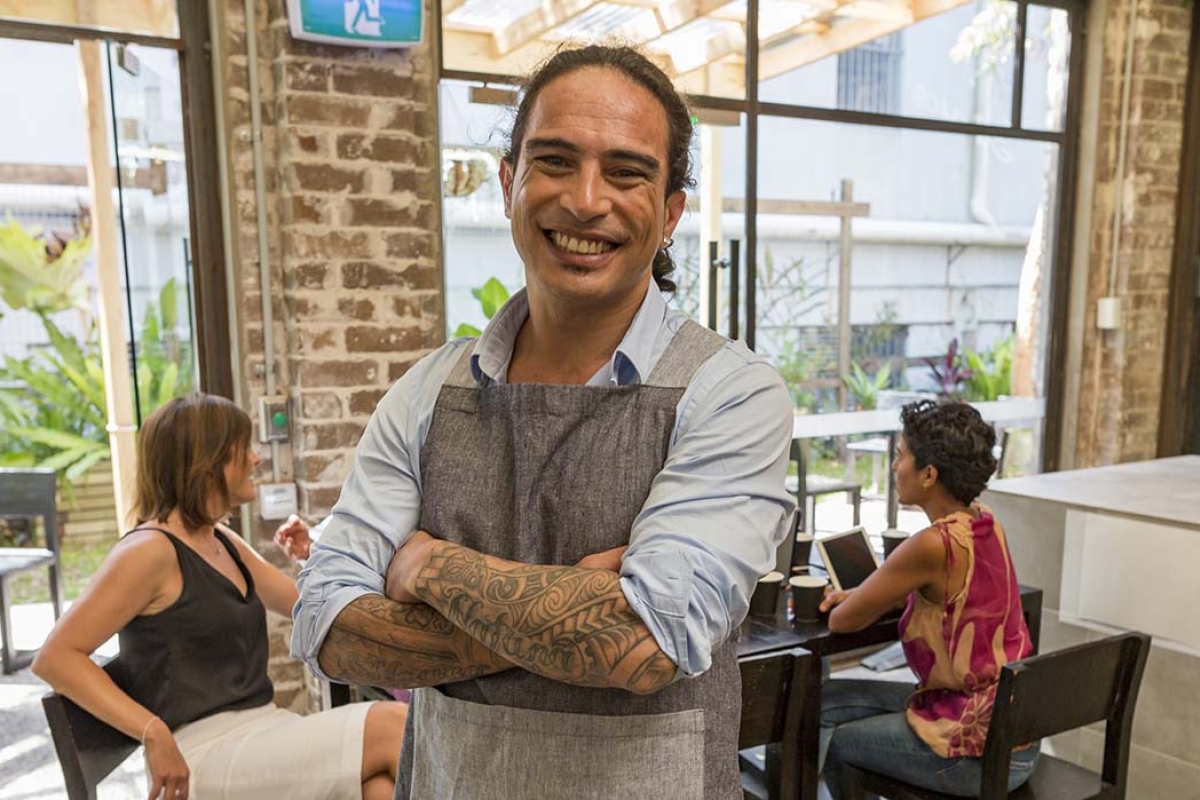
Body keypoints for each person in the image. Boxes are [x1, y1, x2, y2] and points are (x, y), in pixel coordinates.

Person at [291, 44, 795, 799]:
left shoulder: (731, 393)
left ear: (670, 213)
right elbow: (328, 625)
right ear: (508, 184)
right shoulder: (429, 390)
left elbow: (647, 641)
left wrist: (431, 568)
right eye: (555, 161)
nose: (586, 199)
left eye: (626, 172)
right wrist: (575, 612)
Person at [33, 393, 406, 800]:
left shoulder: (220, 539)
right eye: (242, 448)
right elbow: (55, 657)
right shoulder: (149, 551)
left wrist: (310, 555)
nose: (256, 458)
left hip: (263, 730)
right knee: (395, 725)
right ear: (207, 462)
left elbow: (307, 605)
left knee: (380, 788)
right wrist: (152, 731)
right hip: (203, 756)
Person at [817, 399, 1039, 798]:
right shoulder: (985, 521)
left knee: (843, 743)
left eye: (901, 456)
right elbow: (953, 597)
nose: (894, 466)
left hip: (977, 751)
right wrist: (880, 592)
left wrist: (862, 597)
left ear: (929, 475)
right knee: (827, 700)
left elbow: (842, 621)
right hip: (1013, 728)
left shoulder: (932, 545)